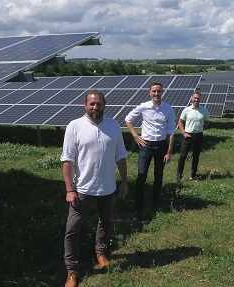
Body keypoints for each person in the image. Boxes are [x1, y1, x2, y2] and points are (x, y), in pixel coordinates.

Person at [61, 90, 128, 287]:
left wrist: (124, 182)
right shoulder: (75, 126)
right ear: (85, 105)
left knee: (106, 221)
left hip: (108, 187)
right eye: (91, 104)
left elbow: (121, 156)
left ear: (104, 105)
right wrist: (69, 189)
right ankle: (71, 270)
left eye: (98, 104)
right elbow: (67, 160)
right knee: (72, 229)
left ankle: (100, 252)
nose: (95, 107)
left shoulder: (113, 125)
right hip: (82, 188)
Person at [125, 82, 175, 220]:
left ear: (162, 92)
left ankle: (155, 204)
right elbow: (128, 119)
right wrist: (136, 136)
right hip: (145, 145)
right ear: (149, 92)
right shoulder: (143, 107)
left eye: (158, 91)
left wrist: (169, 152)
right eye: (153, 91)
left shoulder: (168, 109)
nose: (156, 94)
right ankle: (137, 208)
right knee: (141, 176)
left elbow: (171, 131)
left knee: (158, 176)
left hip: (161, 146)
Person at [177, 90, 210, 182]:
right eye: (195, 98)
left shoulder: (204, 110)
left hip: (198, 136)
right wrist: (183, 132)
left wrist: (200, 129)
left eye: (198, 98)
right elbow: (180, 121)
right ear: (192, 98)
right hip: (187, 136)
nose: (196, 100)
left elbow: (207, 123)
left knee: (196, 156)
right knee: (183, 156)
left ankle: (193, 176)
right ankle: (179, 177)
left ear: (200, 99)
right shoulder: (186, 110)